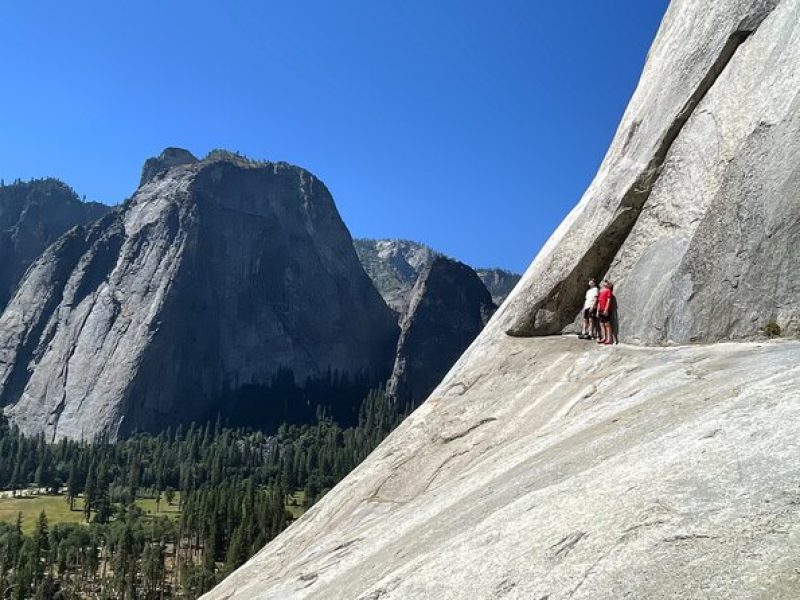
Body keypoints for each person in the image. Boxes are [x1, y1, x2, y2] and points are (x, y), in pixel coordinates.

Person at [597, 280, 615, 345]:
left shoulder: (608, 291)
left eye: (607, 282)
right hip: (600, 310)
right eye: (605, 282)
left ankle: (609, 339)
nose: (605, 283)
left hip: (605, 310)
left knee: (607, 324)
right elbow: (599, 301)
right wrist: (597, 310)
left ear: (609, 285)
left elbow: (608, 300)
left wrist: (606, 309)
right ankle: (604, 337)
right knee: (601, 324)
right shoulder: (601, 291)